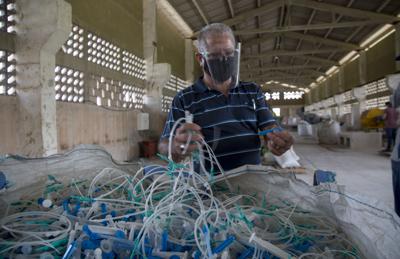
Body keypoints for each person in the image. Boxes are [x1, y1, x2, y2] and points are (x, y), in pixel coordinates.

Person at [158, 23, 293, 171]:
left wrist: (276, 139)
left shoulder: (252, 91)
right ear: (200, 58)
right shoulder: (185, 99)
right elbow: (164, 144)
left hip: (252, 179)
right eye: (214, 55)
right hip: (208, 185)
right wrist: (176, 147)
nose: (223, 59)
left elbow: (268, 126)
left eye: (228, 54)